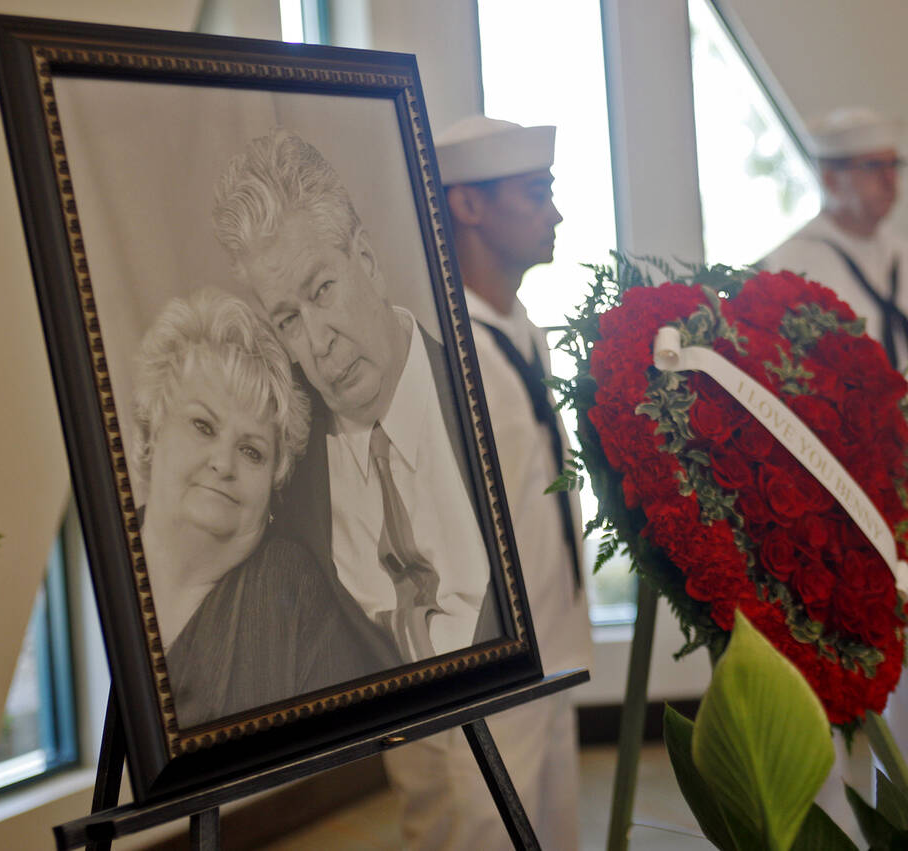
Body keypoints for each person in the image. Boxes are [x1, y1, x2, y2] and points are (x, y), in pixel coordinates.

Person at [364, 115, 593, 850]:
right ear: (466, 205)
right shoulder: (427, 347)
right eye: (536, 193)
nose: (554, 214)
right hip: (470, 677)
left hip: (546, 652)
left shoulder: (517, 327)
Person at [212, 128, 501, 668]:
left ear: (366, 260)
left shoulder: (484, 392)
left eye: (322, 290)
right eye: (288, 320)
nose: (318, 343)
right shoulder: (284, 469)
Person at [759, 106, 908, 807]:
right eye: (873, 167)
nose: (889, 183)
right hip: (831, 500)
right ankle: (833, 817)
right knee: (833, 666)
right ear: (827, 175)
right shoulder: (790, 266)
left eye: (894, 166)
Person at [131, 288, 394, 728]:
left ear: (274, 486)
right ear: (151, 432)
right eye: (203, 426)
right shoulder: (100, 566)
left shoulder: (289, 593)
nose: (223, 463)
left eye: (252, 451)